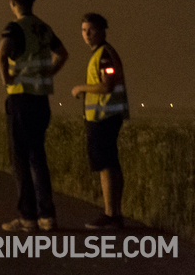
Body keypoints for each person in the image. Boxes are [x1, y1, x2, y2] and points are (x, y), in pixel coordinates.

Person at [0, 0, 68, 232]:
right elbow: (63, 54)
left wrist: (7, 79)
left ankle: (28, 217)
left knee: (20, 160)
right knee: (38, 157)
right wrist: (48, 73)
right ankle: (47, 216)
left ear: (13, 3)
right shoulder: (43, 28)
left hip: (21, 98)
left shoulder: (15, 27)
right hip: (41, 99)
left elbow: (1, 54)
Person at [70, 12, 128, 229]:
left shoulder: (104, 55)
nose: (86, 34)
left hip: (104, 117)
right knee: (110, 164)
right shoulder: (102, 53)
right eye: (83, 30)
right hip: (106, 116)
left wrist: (81, 88)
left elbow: (107, 85)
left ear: (102, 31)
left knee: (106, 166)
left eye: (91, 30)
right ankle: (114, 213)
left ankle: (110, 214)